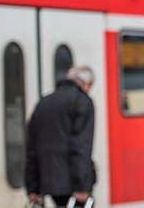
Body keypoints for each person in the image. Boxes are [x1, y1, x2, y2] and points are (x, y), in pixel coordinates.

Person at [26, 65, 96, 207]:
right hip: (72, 183)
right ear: (85, 83)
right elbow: (81, 146)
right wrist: (82, 185)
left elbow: (31, 148)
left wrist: (33, 187)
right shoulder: (82, 102)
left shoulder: (43, 103)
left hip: (47, 181)